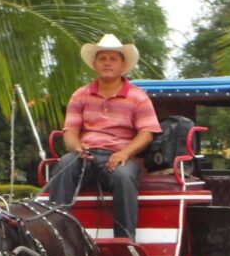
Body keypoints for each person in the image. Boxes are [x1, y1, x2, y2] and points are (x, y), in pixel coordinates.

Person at [48, 34, 161, 241]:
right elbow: (70, 132)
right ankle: (56, 235)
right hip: (86, 155)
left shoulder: (138, 97)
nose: (107, 63)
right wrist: (76, 147)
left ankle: (125, 240)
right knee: (63, 166)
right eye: (103, 58)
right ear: (94, 64)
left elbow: (147, 133)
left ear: (123, 65)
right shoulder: (80, 95)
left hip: (120, 157)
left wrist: (124, 153)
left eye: (113, 58)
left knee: (123, 176)